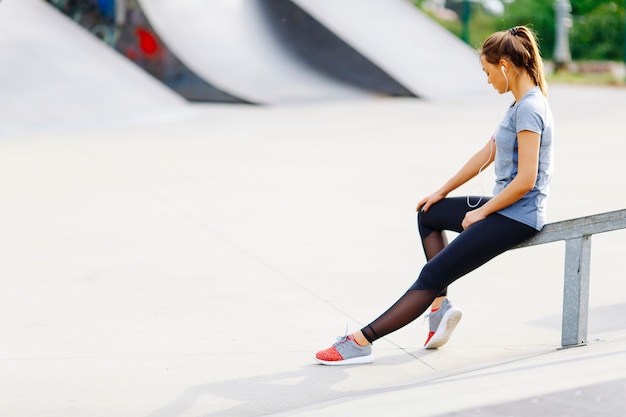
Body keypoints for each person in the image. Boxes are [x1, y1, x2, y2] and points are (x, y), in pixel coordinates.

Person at [315, 25, 554, 365]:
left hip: (517, 216)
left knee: (430, 276)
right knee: (429, 214)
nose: (488, 81)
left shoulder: (530, 108)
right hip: (507, 209)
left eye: (488, 73)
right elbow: (487, 153)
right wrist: (442, 192)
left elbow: (526, 180)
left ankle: (360, 342)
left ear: (504, 65)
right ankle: (440, 307)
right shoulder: (519, 105)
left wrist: (482, 213)